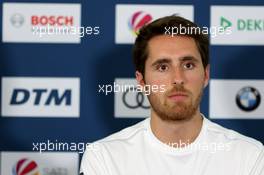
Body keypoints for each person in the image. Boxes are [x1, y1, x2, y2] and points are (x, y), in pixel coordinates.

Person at [80, 15, 264, 175]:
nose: (178, 79)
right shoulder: (104, 157)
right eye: (162, 67)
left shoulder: (249, 156)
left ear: (206, 75)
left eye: (188, 65)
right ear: (141, 81)